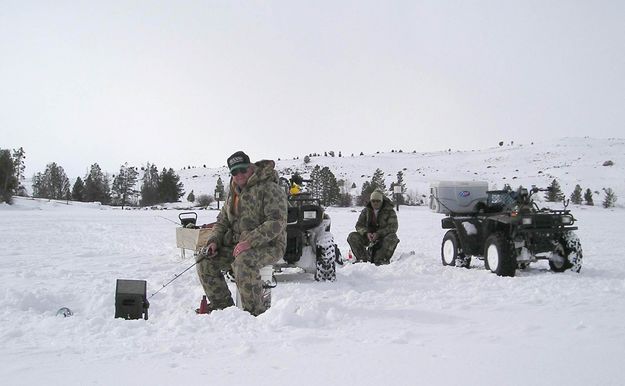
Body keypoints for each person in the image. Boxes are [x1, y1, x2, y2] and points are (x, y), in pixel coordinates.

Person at [196, 151, 287, 316]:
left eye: (243, 170)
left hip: (269, 245)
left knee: (244, 261)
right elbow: (222, 220)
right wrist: (213, 241)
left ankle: (254, 313)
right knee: (204, 259)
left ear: (251, 168)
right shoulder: (233, 193)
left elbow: (277, 223)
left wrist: (249, 242)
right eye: (234, 172)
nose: (239, 175)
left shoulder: (270, 188)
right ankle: (223, 309)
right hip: (237, 245)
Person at [347, 189, 399, 265]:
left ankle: (381, 259)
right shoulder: (366, 211)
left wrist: (379, 233)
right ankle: (362, 259)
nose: (375, 203)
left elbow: (393, 227)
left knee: (393, 237)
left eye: (378, 201)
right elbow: (359, 225)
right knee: (352, 236)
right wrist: (366, 233)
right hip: (368, 237)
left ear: (381, 201)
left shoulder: (390, 211)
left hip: (383, 238)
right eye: (373, 201)